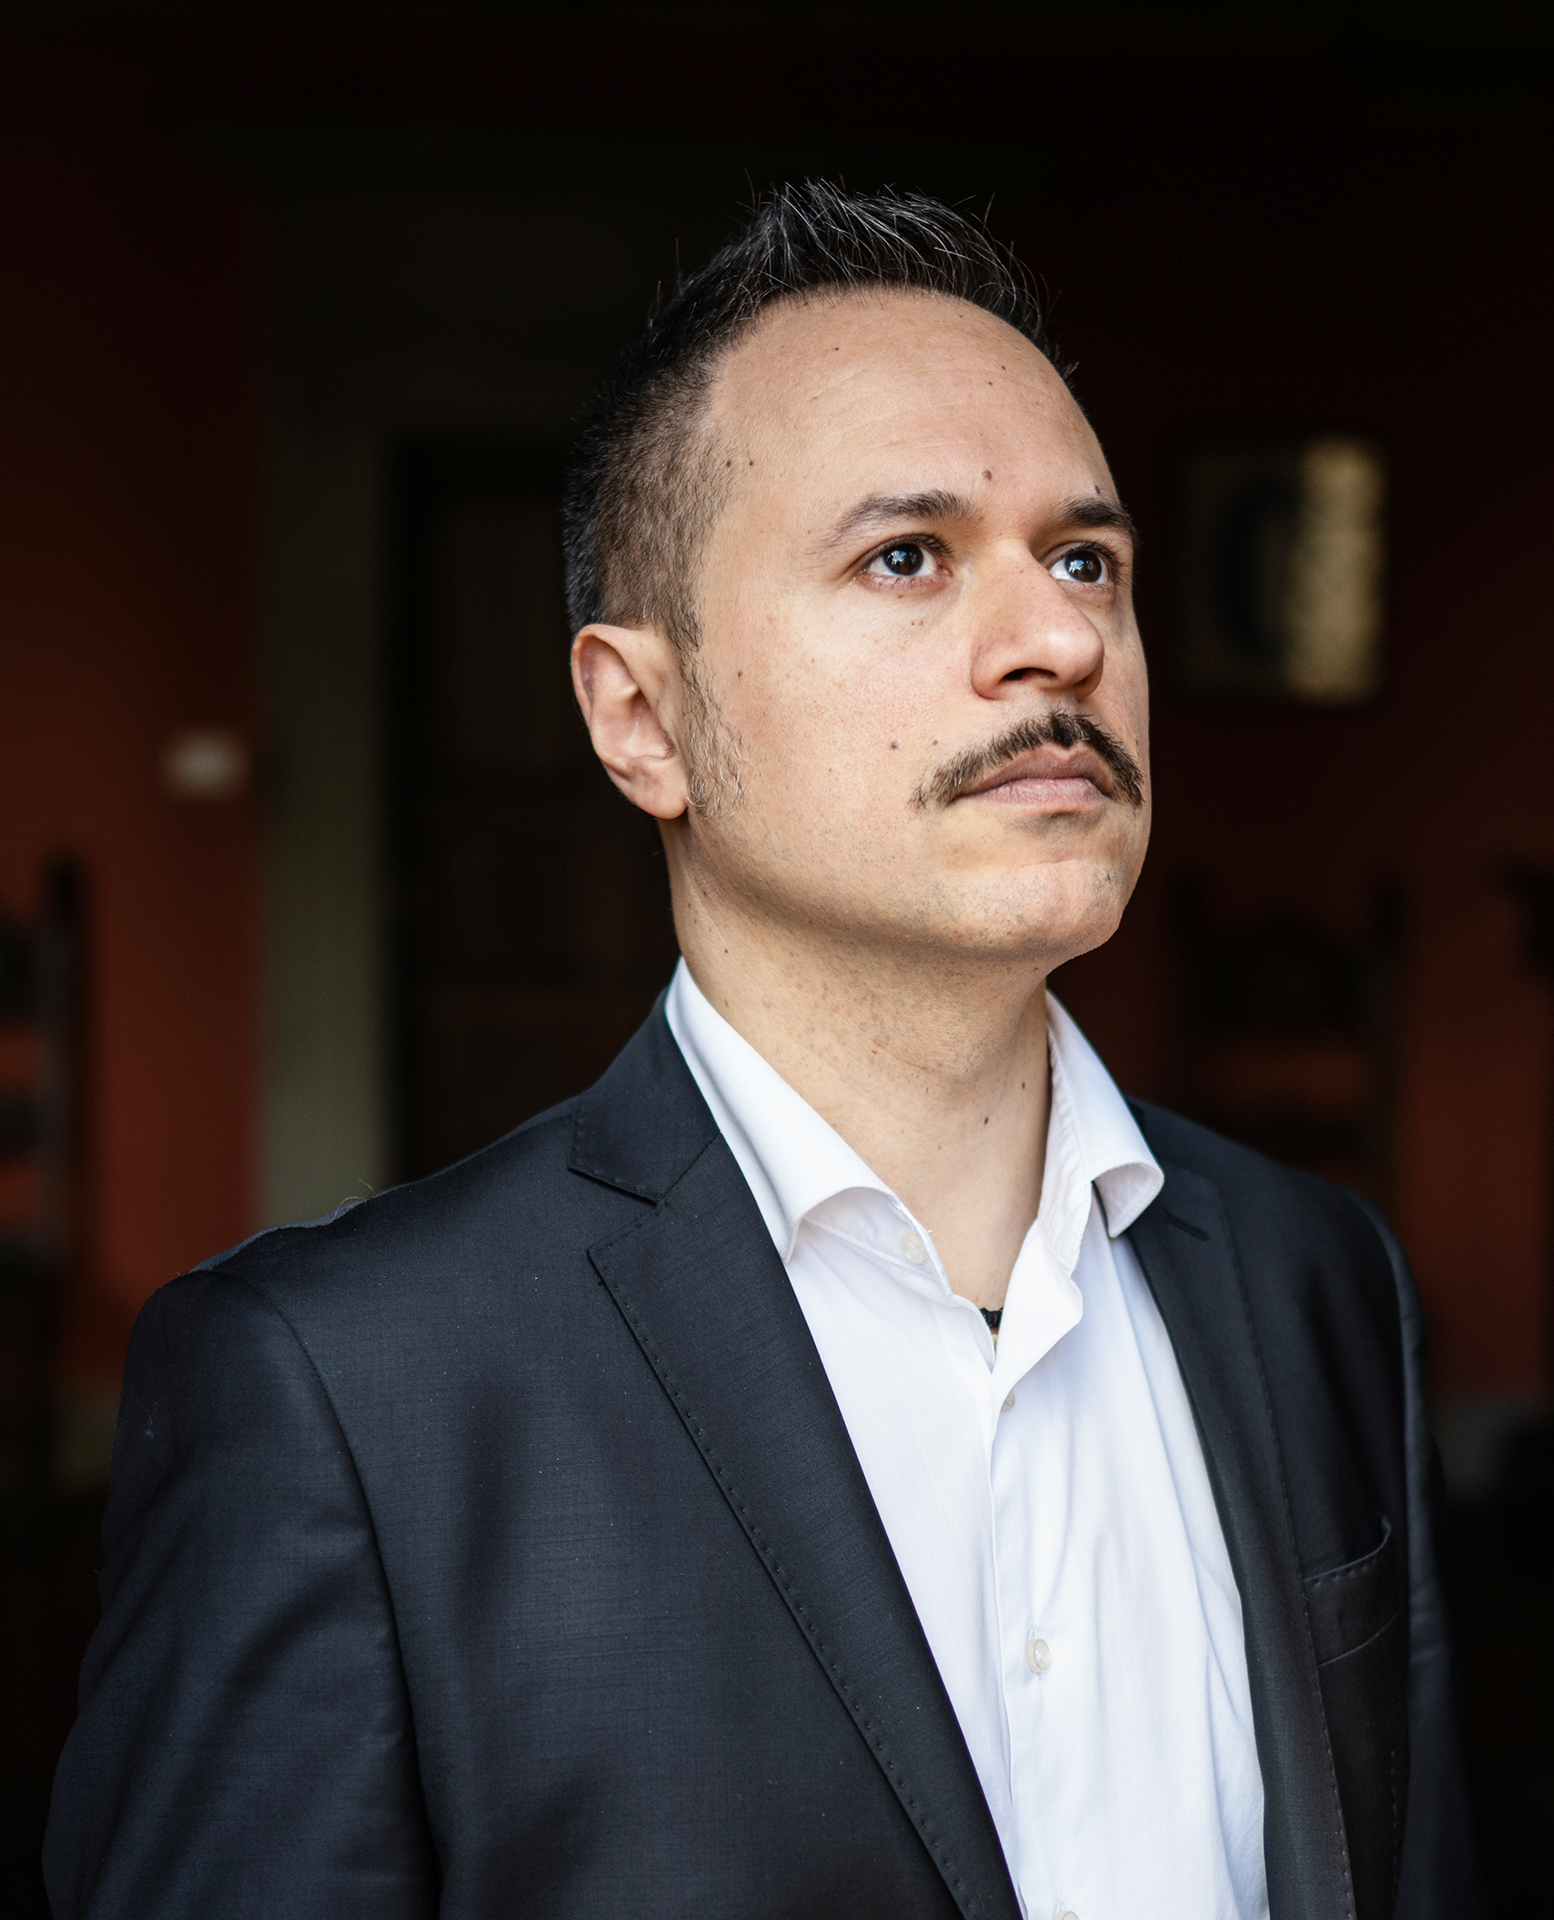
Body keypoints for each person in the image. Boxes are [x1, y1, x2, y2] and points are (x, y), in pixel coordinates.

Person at [46, 183, 1477, 1920]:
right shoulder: (339, 1394)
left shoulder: (1316, 1282)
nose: (1062, 640)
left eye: (1084, 558)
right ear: (640, 715)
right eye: (906, 556)